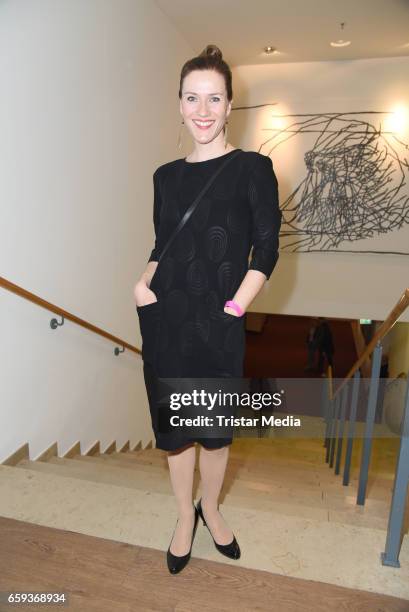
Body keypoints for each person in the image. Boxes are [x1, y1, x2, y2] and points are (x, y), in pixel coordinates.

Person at [133, 44, 282, 574]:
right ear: (178, 103)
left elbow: (266, 250)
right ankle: (182, 516)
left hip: (220, 323)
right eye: (192, 97)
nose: (202, 109)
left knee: (214, 432)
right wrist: (143, 285)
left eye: (213, 98)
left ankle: (211, 509)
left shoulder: (253, 169)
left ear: (229, 104)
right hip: (167, 320)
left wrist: (236, 308)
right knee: (177, 436)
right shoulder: (164, 177)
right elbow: (162, 245)